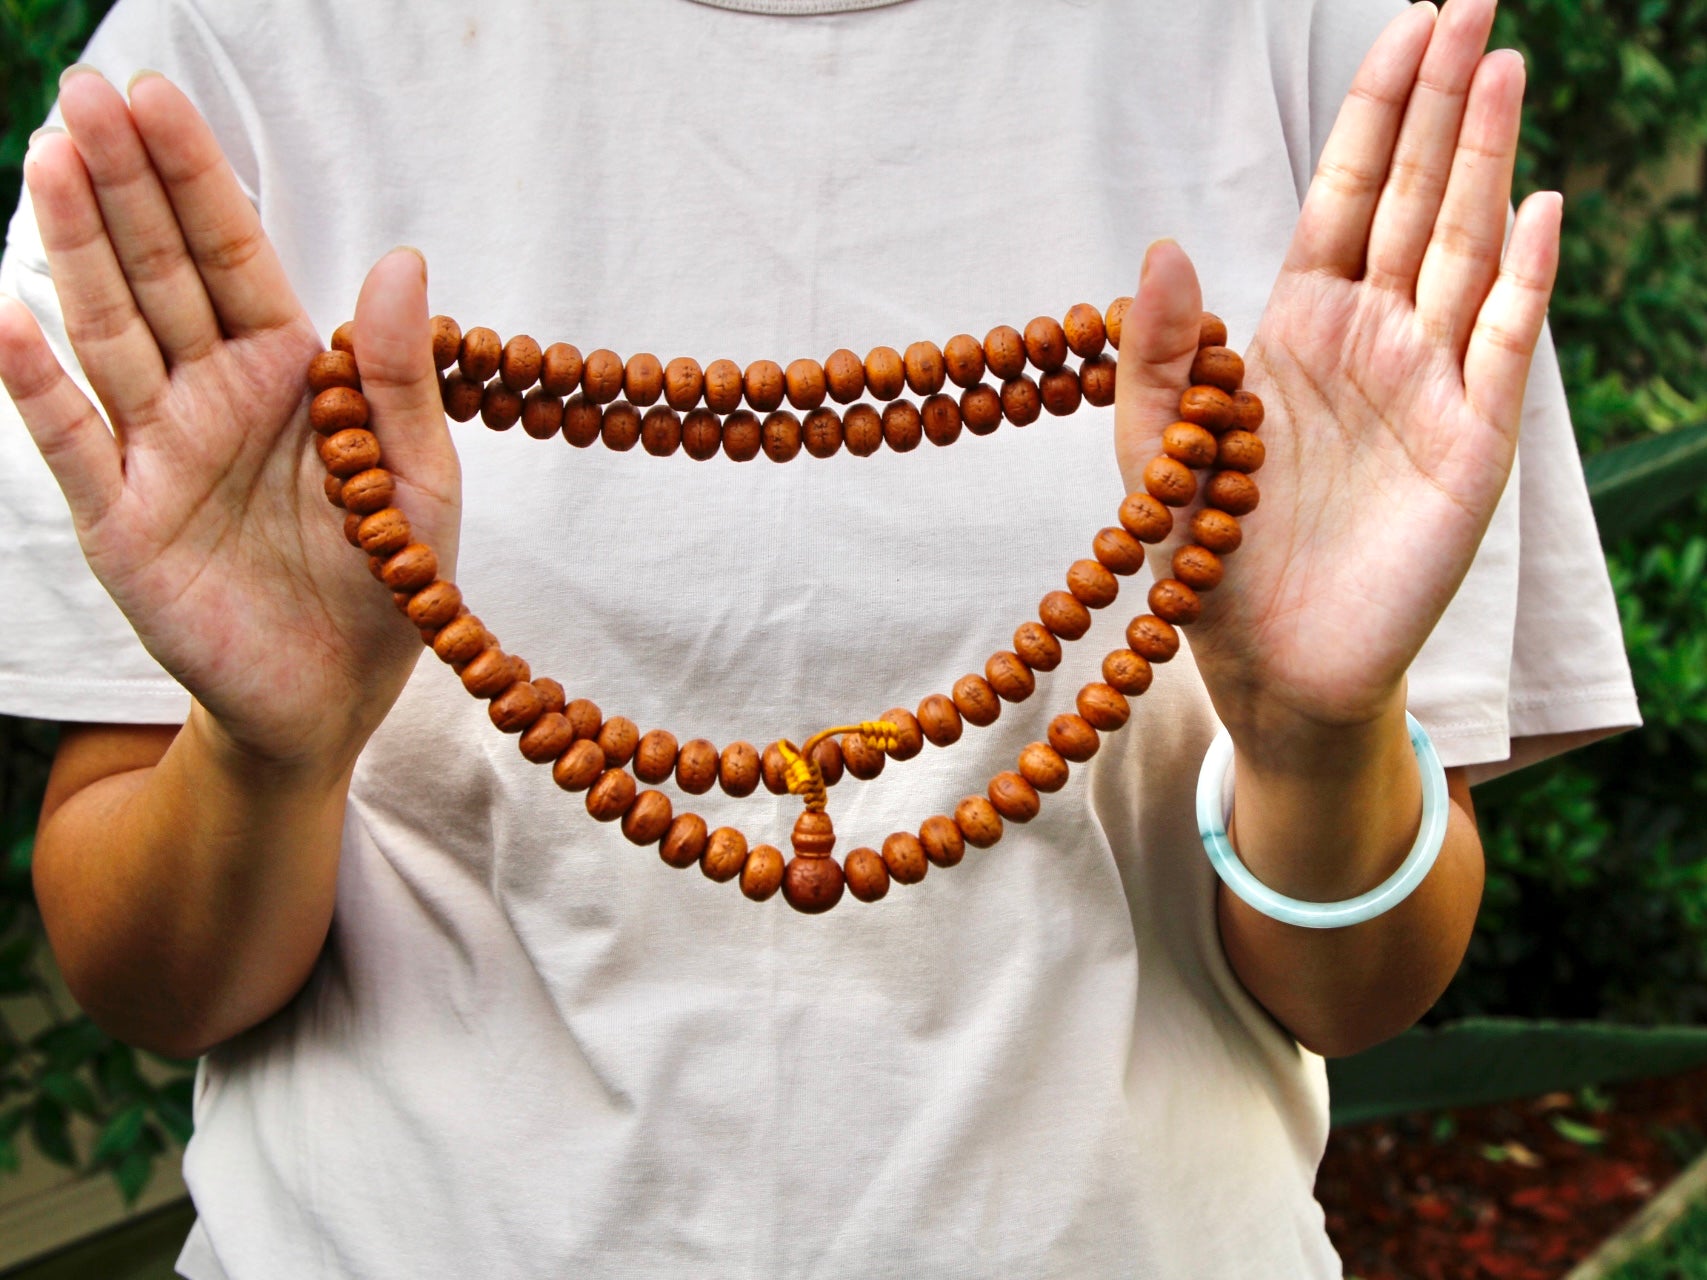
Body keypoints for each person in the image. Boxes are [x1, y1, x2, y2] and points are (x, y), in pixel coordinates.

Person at [0, 0, 1639, 1275]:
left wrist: (1310, 734)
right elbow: (157, 983)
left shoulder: (1327, 57)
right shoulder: (236, 55)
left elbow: (1354, 993)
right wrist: (268, 752)